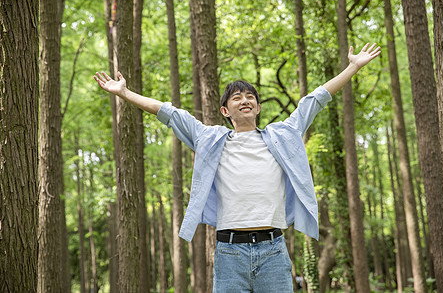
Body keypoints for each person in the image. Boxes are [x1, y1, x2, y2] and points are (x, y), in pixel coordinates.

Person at [94, 43, 380, 292]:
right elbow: (168, 112)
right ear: (225, 111)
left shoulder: (281, 135)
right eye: (236, 97)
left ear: (257, 108)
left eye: (250, 97)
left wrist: (352, 68)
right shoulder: (210, 139)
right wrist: (125, 93)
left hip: (274, 249)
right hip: (230, 251)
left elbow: (314, 100)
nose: (245, 100)